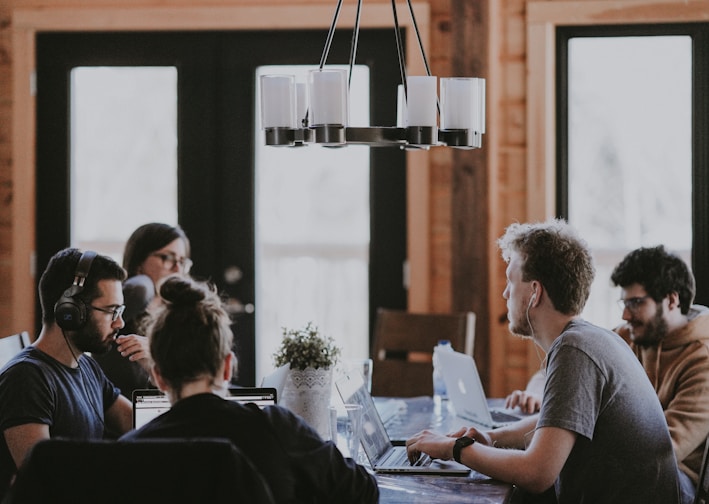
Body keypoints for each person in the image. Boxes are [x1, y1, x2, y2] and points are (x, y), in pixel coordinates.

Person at [406, 219, 680, 503]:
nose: (505, 293)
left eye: (511, 281)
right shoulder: (594, 339)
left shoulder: (575, 349)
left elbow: (537, 473)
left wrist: (454, 448)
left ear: (535, 292)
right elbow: (558, 420)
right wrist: (490, 437)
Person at [119, 275, 378, 503]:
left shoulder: (129, 452)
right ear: (227, 367)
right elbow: (363, 491)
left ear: (158, 376)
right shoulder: (276, 428)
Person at [0, 248, 139, 497]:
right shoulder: (26, 378)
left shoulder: (86, 366)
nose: (120, 323)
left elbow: (137, 425)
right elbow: (44, 481)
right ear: (70, 311)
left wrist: (159, 367)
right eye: (111, 311)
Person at [610, 245, 709, 504]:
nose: (625, 314)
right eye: (624, 302)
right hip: (626, 462)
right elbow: (568, 370)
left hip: (677, 478)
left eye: (636, 303)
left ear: (672, 300)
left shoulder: (703, 357)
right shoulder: (627, 336)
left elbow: (666, 449)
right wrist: (535, 393)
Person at [94, 222, 192, 398]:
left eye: (182, 261)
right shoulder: (126, 305)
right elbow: (138, 289)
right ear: (140, 261)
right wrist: (144, 283)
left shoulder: (183, 312)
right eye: (167, 258)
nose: (177, 269)